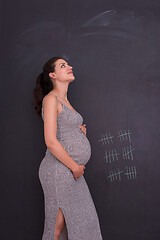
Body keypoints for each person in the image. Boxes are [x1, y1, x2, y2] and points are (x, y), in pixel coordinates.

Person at [32, 56, 103, 240]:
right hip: (59, 171)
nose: (69, 67)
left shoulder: (65, 101)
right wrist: (74, 167)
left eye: (68, 64)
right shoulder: (51, 99)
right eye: (63, 65)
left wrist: (80, 135)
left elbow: (64, 132)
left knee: (82, 223)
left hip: (70, 171)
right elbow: (50, 141)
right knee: (57, 228)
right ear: (53, 75)